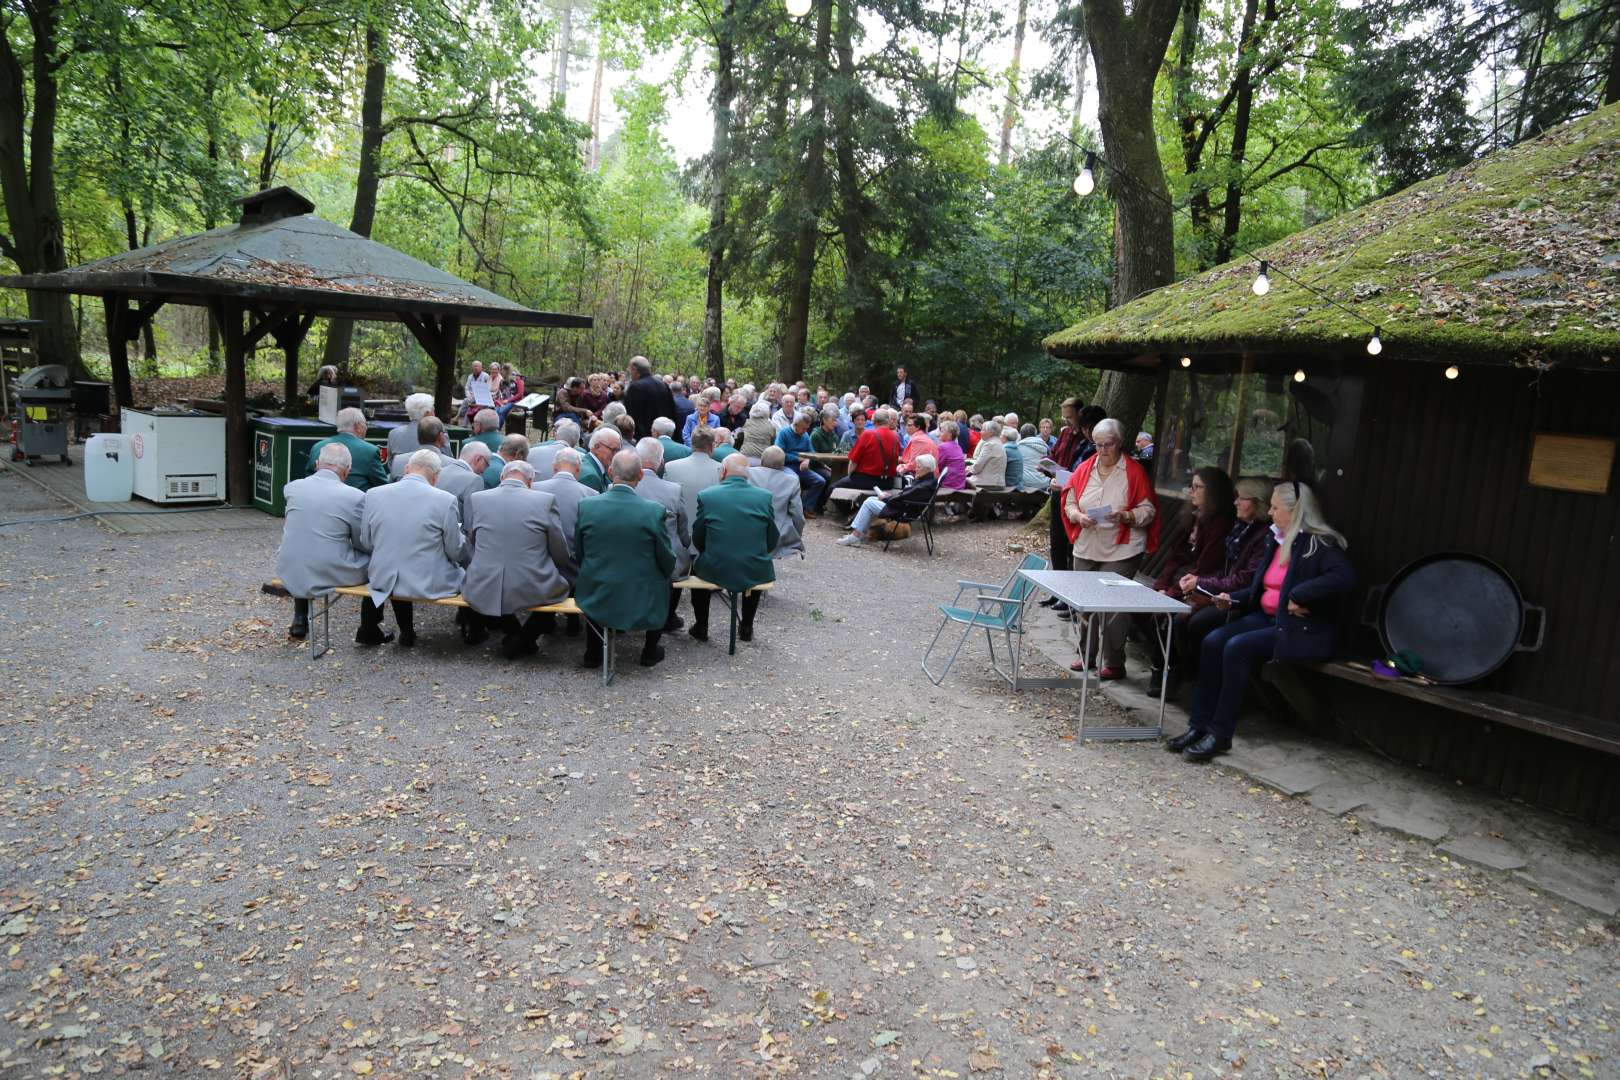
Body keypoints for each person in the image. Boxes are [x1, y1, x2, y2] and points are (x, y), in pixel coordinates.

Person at [1173, 482, 1355, 762]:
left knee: (1236, 647)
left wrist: (1300, 595)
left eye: (1275, 507)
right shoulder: (1277, 539)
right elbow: (1262, 588)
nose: (1269, 513)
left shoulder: (1319, 543)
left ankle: (1220, 733)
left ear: (1295, 511)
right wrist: (1232, 598)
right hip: (1266, 617)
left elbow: (1344, 578)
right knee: (1212, 641)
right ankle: (1197, 726)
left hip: (1299, 628)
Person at [1060, 418, 1160, 678]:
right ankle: (1086, 655)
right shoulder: (1084, 469)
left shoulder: (1134, 471)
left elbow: (1149, 510)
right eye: (1097, 445)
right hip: (1088, 542)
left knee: (1113, 605)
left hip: (1122, 547)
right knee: (1084, 602)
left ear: (1120, 443)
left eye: (1108, 444)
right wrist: (1078, 517)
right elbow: (1069, 502)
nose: (1102, 450)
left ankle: (1115, 662)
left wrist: (1126, 516)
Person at [460, 459, 576, 658]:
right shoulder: (545, 501)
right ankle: (524, 638)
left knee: (498, 587)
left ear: (501, 477)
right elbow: (560, 552)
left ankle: (515, 633)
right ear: (530, 482)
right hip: (532, 582)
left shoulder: (478, 499)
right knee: (563, 588)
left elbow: (473, 538)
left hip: (483, 580)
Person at [575, 450, 676, 668]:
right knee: (666, 582)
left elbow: (580, 551)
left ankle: (593, 652)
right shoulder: (653, 511)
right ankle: (649, 651)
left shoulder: (587, 506)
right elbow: (666, 557)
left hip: (596, 587)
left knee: (593, 576)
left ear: (611, 472)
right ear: (641, 475)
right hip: (640, 588)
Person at [1139, 466, 1236, 696]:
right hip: (1178, 579)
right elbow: (1175, 556)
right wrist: (1161, 587)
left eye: (1197, 487)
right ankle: (1165, 667)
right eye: (1190, 486)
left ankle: (1168, 671)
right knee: (1142, 609)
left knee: (1169, 616)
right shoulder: (1191, 516)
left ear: (1213, 491)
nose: (1191, 492)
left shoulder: (1220, 524)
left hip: (1201, 584)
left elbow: (1204, 567)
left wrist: (1169, 594)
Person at [360, 449, 467, 647]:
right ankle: (473, 630)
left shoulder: (373, 494)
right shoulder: (445, 500)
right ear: (436, 476)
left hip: (384, 577)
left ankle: (406, 631)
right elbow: (455, 550)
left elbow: (366, 542)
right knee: (466, 575)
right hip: (428, 581)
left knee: (398, 567)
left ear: (407, 468)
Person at [1179, 478, 1273, 681]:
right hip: (1224, 593)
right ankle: (1183, 674)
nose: (1235, 502)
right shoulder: (1242, 528)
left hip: (1242, 602)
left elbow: (1245, 580)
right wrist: (1199, 580)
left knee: (1198, 622)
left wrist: (1202, 584)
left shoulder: (1265, 536)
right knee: (1180, 615)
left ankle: (1198, 677)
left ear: (1259, 502)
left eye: (1242, 498)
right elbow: (1227, 569)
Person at [276, 442, 372, 641]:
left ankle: (300, 617)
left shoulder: (292, 488)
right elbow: (362, 542)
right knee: (380, 563)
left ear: (318, 464)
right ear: (347, 471)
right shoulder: (355, 497)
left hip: (288, 566)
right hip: (329, 570)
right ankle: (369, 627)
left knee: (306, 548)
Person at [690, 455, 777, 643]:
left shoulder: (707, 495)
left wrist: (711, 552)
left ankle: (701, 626)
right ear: (747, 475)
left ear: (723, 472)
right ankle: (747, 626)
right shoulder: (764, 497)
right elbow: (772, 538)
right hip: (754, 566)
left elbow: (698, 537)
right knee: (756, 564)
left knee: (696, 568)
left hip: (715, 565)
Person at [1039, 401, 1105, 613]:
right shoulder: (1067, 434)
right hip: (1060, 493)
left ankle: (1070, 598)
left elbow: (1080, 474)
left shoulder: (1090, 445)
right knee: (1056, 545)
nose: (1066, 421)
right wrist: (1047, 465)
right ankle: (1058, 592)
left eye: (1069, 417)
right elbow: (1055, 455)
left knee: (1070, 548)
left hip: (1077, 501)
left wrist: (1064, 477)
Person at [664, 426, 724, 627]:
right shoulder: (720, 469)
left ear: (692, 444)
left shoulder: (671, 467)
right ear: (711, 446)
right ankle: (701, 624)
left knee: (674, 579)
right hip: (704, 536)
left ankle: (668, 617)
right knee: (701, 582)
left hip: (676, 535)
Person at [634, 437, 693, 634]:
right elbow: (683, 528)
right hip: (665, 562)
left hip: (630, 557)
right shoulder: (673, 490)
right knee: (678, 556)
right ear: (661, 462)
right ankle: (668, 616)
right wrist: (686, 544)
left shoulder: (620, 488)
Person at [836, 453, 938, 547]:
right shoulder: (928, 481)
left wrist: (886, 498)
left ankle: (855, 536)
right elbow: (905, 496)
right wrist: (887, 497)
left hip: (902, 511)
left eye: (919, 467)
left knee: (868, 503)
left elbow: (902, 498)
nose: (916, 469)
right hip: (905, 507)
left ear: (927, 469)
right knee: (871, 498)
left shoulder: (922, 486)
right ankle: (859, 534)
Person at [304, 407, 387, 491]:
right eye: (366, 424)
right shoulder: (370, 451)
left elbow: (309, 478)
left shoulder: (317, 447)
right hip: (355, 501)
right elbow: (382, 486)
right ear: (358, 426)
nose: (366, 428)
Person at [749, 446, 806, 558]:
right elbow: (798, 514)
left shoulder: (747, 473)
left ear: (761, 460)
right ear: (783, 464)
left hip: (748, 530)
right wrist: (797, 535)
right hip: (778, 535)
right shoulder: (792, 481)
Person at [830, 407, 901, 497]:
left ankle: (852, 511)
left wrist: (850, 477)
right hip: (888, 482)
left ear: (873, 421)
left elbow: (853, 462)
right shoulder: (896, 437)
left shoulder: (868, 434)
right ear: (888, 421)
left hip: (866, 481)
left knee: (832, 489)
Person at [774, 407, 826, 514]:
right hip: (787, 465)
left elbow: (811, 452)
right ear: (796, 425)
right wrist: (797, 458)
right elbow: (779, 453)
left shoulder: (805, 435)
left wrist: (807, 460)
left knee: (820, 481)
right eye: (803, 428)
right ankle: (788, 508)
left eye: (807, 428)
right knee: (793, 479)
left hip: (801, 466)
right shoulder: (784, 433)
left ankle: (805, 508)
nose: (805, 431)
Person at [623, 355, 677, 439]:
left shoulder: (634, 388)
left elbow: (630, 417)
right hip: (664, 437)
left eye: (630, 369)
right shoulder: (663, 385)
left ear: (634, 369)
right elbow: (673, 413)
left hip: (643, 440)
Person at [438, 442, 490, 524]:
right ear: (478, 459)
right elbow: (470, 521)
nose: (484, 471)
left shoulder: (439, 472)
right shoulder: (475, 480)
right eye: (486, 464)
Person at [389, 415, 454, 480]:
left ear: (418, 435)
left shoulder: (399, 461)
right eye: (444, 433)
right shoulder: (452, 465)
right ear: (440, 436)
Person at [388, 393, 435, 467]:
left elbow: (391, 464)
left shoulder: (393, 433)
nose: (434, 414)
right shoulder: (438, 432)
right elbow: (446, 462)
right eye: (433, 410)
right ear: (427, 413)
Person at [966, 419, 1007, 488]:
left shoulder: (990, 444)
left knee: (955, 481)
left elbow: (977, 467)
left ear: (990, 432)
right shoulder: (999, 443)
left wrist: (968, 469)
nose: (980, 432)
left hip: (988, 483)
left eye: (983, 430)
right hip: (997, 482)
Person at [578, 427, 621, 493]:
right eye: (613, 450)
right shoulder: (591, 477)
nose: (616, 455)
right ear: (597, 447)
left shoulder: (592, 465)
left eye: (618, 451)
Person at [933, 419, 967, 490]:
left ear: (949, 434)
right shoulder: (958, 446)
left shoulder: (942, 447)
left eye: (941, 431)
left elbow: (936, 466)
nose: (939, 434)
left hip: (948, 485)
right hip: (960, 484)